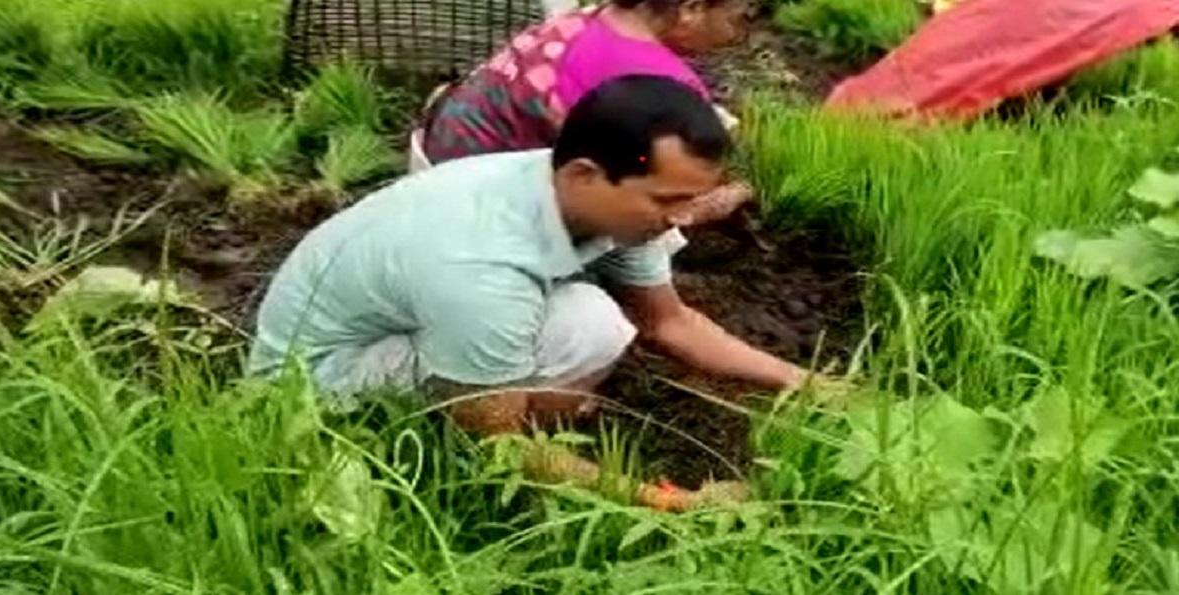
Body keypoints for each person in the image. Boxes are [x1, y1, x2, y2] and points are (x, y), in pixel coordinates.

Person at [251, 77, 811, 510]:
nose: (683, 219)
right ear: (585, 174)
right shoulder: (482, 264)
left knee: (595, 320)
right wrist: (673, 501)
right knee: (516, 402)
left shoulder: (615, 207)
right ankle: (431, 450)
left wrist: (806, 383)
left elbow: (670, 323)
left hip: (405, 323)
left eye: (691, 199)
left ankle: (524, 404)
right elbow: (500, 443)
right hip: (313, 384)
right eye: (669, 200)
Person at [410, 0, 768, 223]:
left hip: (438, 149)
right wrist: (736, 192)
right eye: (738, 21)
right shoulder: (660, 77)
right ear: (694, 8)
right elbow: (660, 183)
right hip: (480, 205)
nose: (739, 38)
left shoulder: (604, 14)